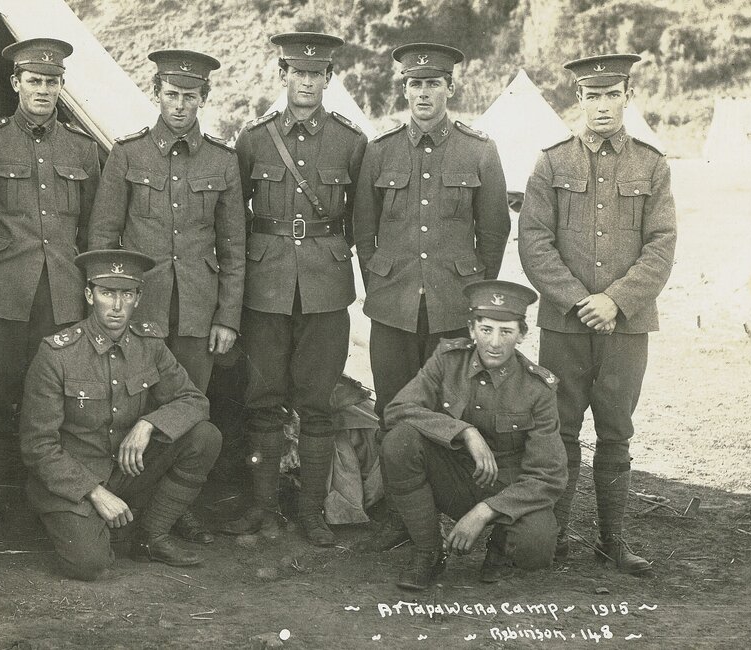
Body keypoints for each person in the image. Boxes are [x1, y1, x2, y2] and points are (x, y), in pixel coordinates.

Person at [518, 54, 677, 574]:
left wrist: (616, 301)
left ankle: (612, 541)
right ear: (578, 99)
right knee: (559, 429)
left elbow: (661, 244)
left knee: (615, 431)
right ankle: (557, 535)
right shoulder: (551, 162)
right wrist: (577, 300)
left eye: (612, 95)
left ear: (628, 96)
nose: (602, 106)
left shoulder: (652, 164)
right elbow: (534, 241)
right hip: (564, 325)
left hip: (626, 325)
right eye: (593, 96)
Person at [353, 43, 510, 551]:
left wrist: (475, 297)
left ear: (450, 88)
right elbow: (364, 230)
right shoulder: (380, 150)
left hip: (452, 306)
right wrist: (379, 285)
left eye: (433, 84)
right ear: (404, 89)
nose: (423, 93)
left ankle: (456, 507)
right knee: (393, 408)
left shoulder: (478, 150)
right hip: (393, 306)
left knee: (453, 410)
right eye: (415, 84)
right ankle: (403, 518)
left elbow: (494, 231)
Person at [88, 50, 245, 545]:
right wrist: (107, 310)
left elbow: (233, 247)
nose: (180, 105)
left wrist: (227, 317)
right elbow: (104, 235)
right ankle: (126, 507)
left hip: (198, 309)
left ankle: (177, 510)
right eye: (172, 94)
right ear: (156, 93)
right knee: (132, 406)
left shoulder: (223, 160)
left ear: (204, 98)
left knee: (190, 407)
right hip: (140, 307)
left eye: (190, 96)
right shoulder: (128, 154)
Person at [0, 38, 102, 541]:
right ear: (16, 83)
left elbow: (93, 231)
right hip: (1, 295)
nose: (43, 90)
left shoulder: (82, 148)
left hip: (62, 295)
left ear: (61, 87)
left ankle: (54, 500)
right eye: (34, 80)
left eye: (51, 82)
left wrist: (91, 292)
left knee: (59, 400)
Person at [219, 32, 367, 546]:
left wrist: (340, 260)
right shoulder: (254, 139)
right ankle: (262, 509)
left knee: (318, 402)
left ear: (328, 78)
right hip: (266, 286)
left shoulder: (351, 141)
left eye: (316, 74)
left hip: (326, 287)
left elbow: (362, 220)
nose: (306, 82)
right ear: (283, 75)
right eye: (298, 72)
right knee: (262, 398)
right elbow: (233, 216)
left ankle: (311, 512)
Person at [19, 249, 222, 581]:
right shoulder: (57, 354)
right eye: (106, 293)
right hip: (76, 480)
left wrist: (148, 424)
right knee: (89, 564)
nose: (116, 305)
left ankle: (151, 536)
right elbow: (38, 446)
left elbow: (194, 400)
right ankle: (81, 522)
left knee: (204, 437)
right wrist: (95, 492)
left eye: (126, 294)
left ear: (138, 298)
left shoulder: (150, 345)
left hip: (128, 471)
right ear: (89, 295)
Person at [381, 280, 566, 590]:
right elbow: (398, 409)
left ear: (522, 334)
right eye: (486, 329)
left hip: (505, 487)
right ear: (471, 329)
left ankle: (500, 548)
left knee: (537, 545)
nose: (494, 342)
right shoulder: (447, 360)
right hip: (452, 476)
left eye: (506, 331)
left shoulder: (538, 388)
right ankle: (428, 551)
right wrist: (464, 431)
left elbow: (549, 476)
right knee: (400, 442)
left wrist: (485, 511)